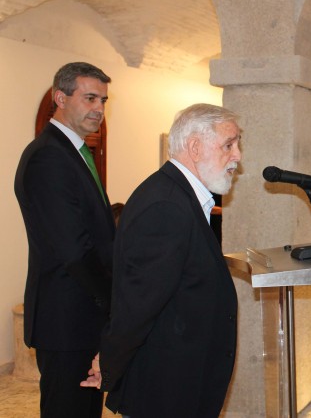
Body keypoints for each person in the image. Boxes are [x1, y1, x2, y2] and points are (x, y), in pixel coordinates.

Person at [81, 104, 241, 417]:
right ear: (195, 147)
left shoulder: (179, 196)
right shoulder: (166, 205)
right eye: (228, 145)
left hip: (182, 378)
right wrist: (110, 363)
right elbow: (139, 303)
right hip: (166, 387)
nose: (237, 156)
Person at [14, 62, 114, 418]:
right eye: (89, 98)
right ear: (60, 97)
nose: (99, 108)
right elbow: (74, 249)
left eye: (103, 99)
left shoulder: (73, 153)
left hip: (82, 315)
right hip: (66, 319)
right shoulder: (48, 158)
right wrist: (114, 297)